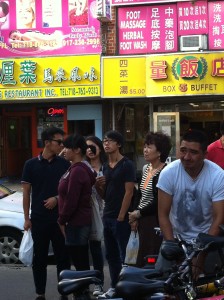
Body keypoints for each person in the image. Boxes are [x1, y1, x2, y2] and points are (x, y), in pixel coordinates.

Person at [156, 130, 224, 278]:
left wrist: (200, 256)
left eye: (193, 152)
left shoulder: (217, 175)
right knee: (164, 284)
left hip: (207, 240)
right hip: (175, 238)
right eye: (183, 151)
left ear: (205, 155)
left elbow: (219, 218)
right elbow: (163, 214)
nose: (186, 157)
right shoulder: (168, 173)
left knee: (211, 287)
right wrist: (172, 246)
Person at [21, 126, 71, 300]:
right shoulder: (31, 165)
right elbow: (26, 193)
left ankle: (64, 292)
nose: (61, 146)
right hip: (39, 219)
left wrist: (57, 198)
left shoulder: (65, 164)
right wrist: (26, 218)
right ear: (48, 143)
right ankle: (40, 293)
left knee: (62, 258)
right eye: (59, 142)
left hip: (60, 219)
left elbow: (69, 191)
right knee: (39, 258)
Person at [98, 130, 136, 299]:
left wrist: (121, 216)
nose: (106, 144)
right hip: (107, 215)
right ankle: (114, 286)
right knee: (111, 256)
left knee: (124, 256)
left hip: (120, 217)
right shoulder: (105, 166)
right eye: (105, 141)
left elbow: (129, 192)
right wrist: (99, 185)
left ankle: (126, 288)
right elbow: (104, 194)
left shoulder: (127, 164)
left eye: (110, 141)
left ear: (119, 144)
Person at [128, 132, 172, 267]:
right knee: (139, 256)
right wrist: (134, 214)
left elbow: (159, 200)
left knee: (151, 255)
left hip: (154, 219)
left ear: (159, 152)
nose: (145, 150)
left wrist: (138, 213)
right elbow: (139, 194)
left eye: (149, 147)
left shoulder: (165, 171)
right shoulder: (146, 168)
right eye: (145, 146)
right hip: (140, 217)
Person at [57, 134, 96, 272]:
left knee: (80, 261)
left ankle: (82, 292)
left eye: (67, 147)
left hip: (76, 222)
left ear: (77, 150)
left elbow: (72, 199)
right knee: (79, 259)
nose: (64, 151)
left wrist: (62, 219)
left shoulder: (78, 170)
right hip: (76, 221)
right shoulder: (75, 168)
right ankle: (82, 290)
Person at [86, 135, 107, 297]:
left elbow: (108, 195)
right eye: (86, 147)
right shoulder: (81, 166)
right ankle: (83, 282)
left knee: (96, 249)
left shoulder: (106, 167)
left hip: (101, 212)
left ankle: (98, 283)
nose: (89, 150)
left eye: (93, 147)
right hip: (83, 212)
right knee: (80, 250)